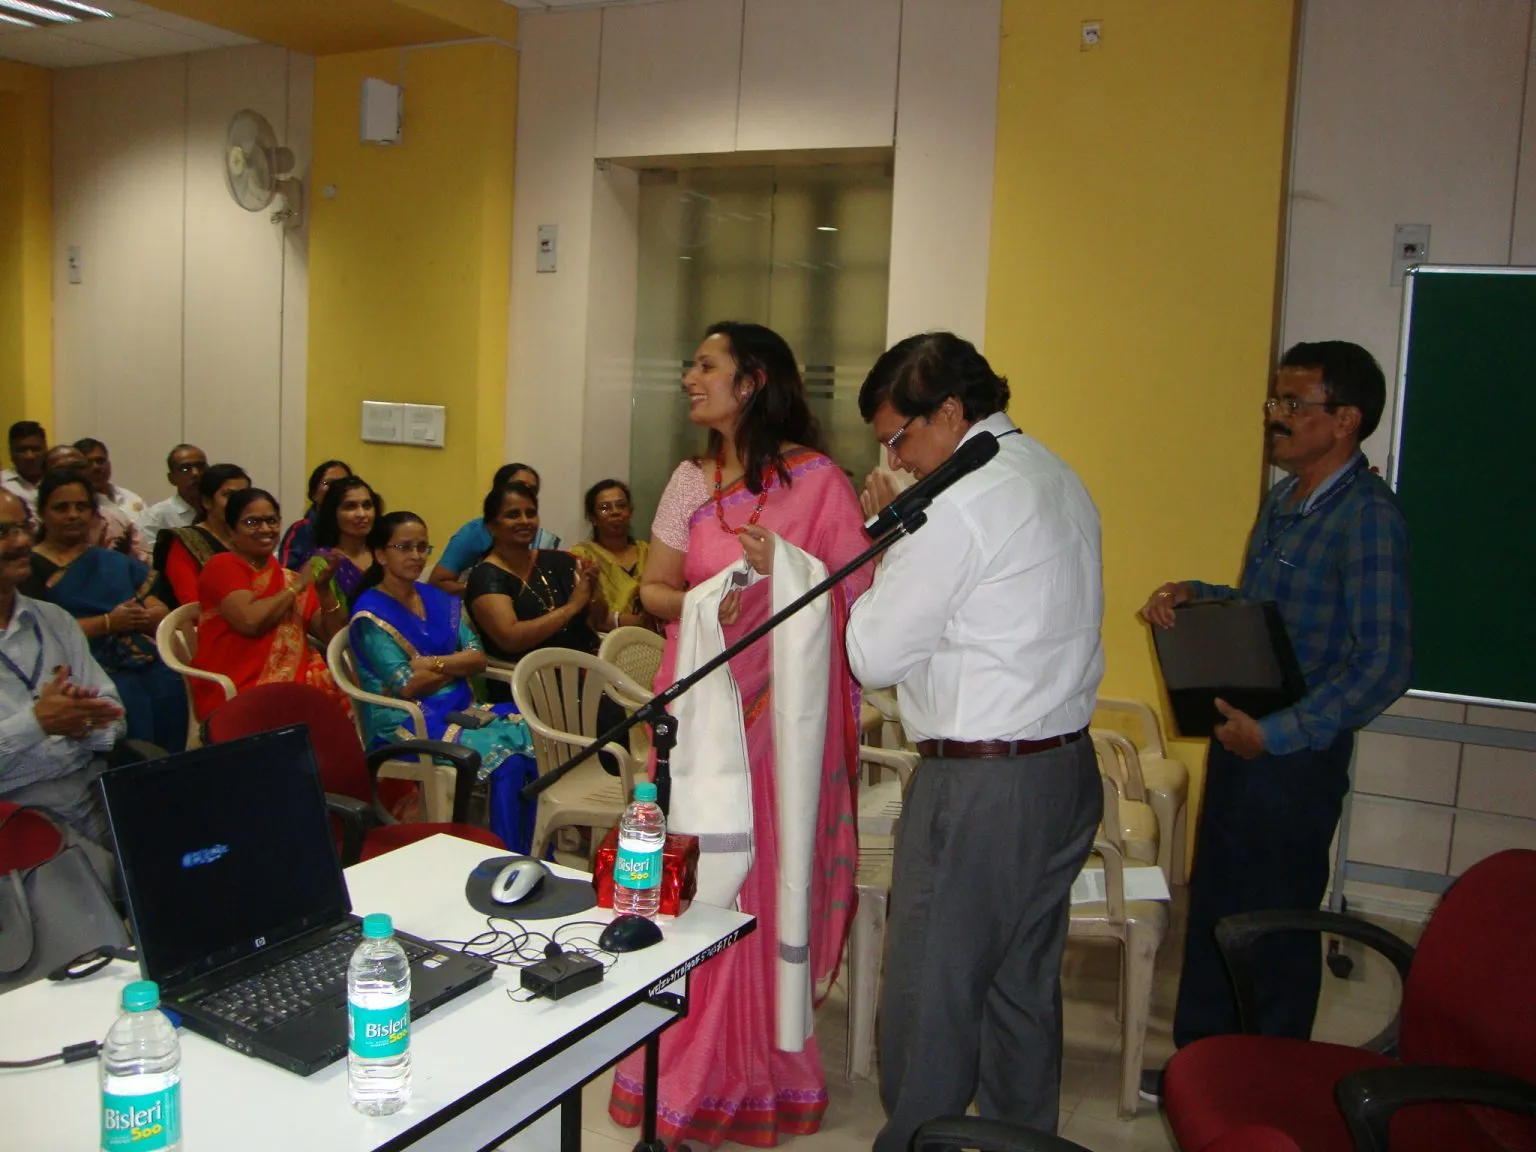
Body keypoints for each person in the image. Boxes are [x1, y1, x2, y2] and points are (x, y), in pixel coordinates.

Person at [608, 321, 871, 1148]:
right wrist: (716, 598)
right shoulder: (690, 481)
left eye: (707, 365)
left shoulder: (820, 484)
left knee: (758, 881)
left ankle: (754, 1071)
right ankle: (683, 1060)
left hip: (780, 725)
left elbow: (856, 597)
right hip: (697, 714)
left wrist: (781, 573)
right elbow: (653, 589)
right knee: (694, 881)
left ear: (752, 381)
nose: (690, 377)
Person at [845, 332, 1105, 1149]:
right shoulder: (1054, 473)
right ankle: (1018, 1140)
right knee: (1019, 989)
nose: (894, 458)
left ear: (951, 411)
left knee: (929, 996)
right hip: (1063, 770)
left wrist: (892, 533)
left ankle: (918, 1142)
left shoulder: (957, 502)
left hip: (982, 786)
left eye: (899, 437)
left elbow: (872, 654)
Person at [1138, 340, 1412, 1094]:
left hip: (1294, 758)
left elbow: (1384, 663)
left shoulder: (1367, 518)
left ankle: (1267, 1085)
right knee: (1218, 907)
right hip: (1240, 738)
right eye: (1275, 402)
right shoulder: (1287, 502)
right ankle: (1201, 1068)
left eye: (1294, 404)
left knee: (1274, 925)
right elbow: (1264, 614)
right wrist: (1194, 595)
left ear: (1346, 420)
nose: (1276, 418)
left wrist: (1278, 734)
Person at [349, 512, 538, 847]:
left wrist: (433, 664)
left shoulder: (436, 599)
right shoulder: (370, 615)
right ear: (381, 555)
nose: (416, 555)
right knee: (506, 756)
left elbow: (477, 658)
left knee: (532, 736)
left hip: (459, 707)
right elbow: (407, 685)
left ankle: (529, 850)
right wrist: (455, 666)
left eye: (422, 547)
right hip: (404, 722)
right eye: (404, 547)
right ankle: (504, 852)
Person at [22, 469, 186, 753]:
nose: (73, 515)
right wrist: (109, 622)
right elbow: (42, 633)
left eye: (81, 507)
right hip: (78, 672)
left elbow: (158, 610)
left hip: (145, 664)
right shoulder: (29, 568)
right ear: (42, 513)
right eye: (61, 508)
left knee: (171, 691)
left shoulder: (113, 562)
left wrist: (144, 617)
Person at [0, 487, 126, 847]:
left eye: (24, 527)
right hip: (15, 816)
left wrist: (82, 723)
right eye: (3, 532)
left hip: (92, 792)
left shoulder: (54, 620)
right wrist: (36, 723)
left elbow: (114, 715)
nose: (21, 542)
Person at [190, 487, 349, 720]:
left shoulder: (288, 578)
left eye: (271, 521)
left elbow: (332, 637)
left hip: (294, 687)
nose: (265, 529)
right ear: (231, 531)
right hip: (236, 687)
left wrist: (324, 591)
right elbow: (251, 622)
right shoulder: (222, 566)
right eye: (252, 522)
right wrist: (300, 584)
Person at [464, 482, 605, 671]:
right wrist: (572, 607)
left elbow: (599, 620)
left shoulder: (560, 561)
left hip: (588, 667)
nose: (525, 521)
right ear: (492, 526)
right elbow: (511, 639)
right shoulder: (486, 577)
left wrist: (594, 592)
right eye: (513, 515)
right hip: (530, 679)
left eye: (530, 513)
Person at [428, 463, 562, 597]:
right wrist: (489, 589)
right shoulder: (475, 531)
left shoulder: (542, 538)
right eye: (518, 485)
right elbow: (437, 583)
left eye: (532, 489)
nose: (525, 492)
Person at [152, 463, 250, 608]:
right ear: (207, 502)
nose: (239, 503)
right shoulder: (185, 541)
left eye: (245, 496)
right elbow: (192, 605)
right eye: (229, 495)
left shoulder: (250, 540)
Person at [569, 478, 655, 634]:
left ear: (630, 512)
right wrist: (620, 620)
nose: (615, 512)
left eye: (621, 505)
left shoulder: (648, 552)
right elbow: (580, 609)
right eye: (604, 508)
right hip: (602, 640)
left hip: (650, 638)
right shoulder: (583, 555)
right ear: (593, 518)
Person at [44, 447, 149, 563]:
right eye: (62, 470)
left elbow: (147, 564)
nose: (73, 515)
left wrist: (125, 557)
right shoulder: (31, 519)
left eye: (79, 468)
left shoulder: (115, 521)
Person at [308, 475, 380, 615]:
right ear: (333, 513)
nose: (362, 514)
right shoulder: (322, 563)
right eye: (350, 506)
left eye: (367, 506)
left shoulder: (386, 556)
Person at [278, 459, 351, 571]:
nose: (336, 489)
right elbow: (286, 574)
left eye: (343, 483)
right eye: (328, 483)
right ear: (314, 494)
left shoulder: (357, 526)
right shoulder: (301, 530)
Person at [138, 443, 207, 550]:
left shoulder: (219, 510)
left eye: (200, 467)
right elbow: (149, 555)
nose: (195, 473)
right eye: (185, 469)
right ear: (171, 478)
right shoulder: (156, 516)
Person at [74, 438, 146, 524]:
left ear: (109, 463)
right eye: (88, 463)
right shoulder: (79, 507)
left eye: (100, 461)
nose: (96, 467)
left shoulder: (130, 498)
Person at [1, 421, 47, 516]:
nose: (29, 456)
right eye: (21, 450)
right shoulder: (1, 483)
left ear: (45, 449)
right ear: (11, 453)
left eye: (35, 449)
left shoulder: (58, 481)